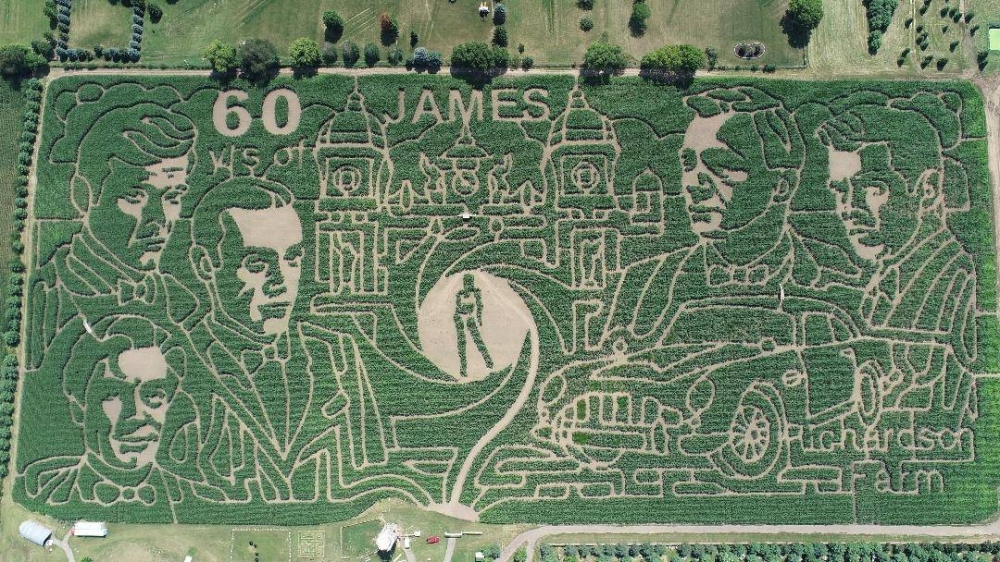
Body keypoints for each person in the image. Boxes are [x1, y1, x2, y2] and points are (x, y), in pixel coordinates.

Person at [27, 101, 198, 370]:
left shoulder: (181, 301)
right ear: (84, 195)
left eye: (173, 197)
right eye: (135, 196)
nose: (159, 220)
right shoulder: (47, 301)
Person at [17, 316, 188, 515]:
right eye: (112, 396)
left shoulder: (181, 491)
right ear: (79, 409)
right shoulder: (48, 486)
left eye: (153, 396)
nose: (135, 416)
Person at [454, 273, 493, 377]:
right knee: (462, 345)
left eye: (469, 282)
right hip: (460, 320)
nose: (467, 285)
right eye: (466, 283)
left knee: (478, 341)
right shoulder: (460, 294)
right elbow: (457, 308)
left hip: (470, 320)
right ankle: (463, 369)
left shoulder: (476, 292)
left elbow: (479, 307)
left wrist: (479, 320)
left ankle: (489, 362)